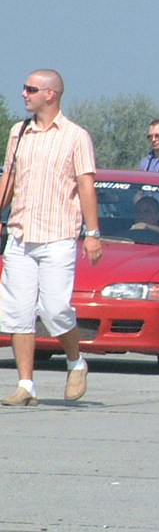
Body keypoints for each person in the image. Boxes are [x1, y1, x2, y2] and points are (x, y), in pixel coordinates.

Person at [0, 69, 103, 406]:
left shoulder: (75, 136)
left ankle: (76, 362)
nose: (24, 94)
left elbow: (86, 185)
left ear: (50, 94)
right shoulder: (19, 132)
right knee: (17, 313)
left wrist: (93, 233)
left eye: (31, 89)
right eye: (24, 87)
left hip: (58, 236)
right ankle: (25, 385)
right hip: (21, 234)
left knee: (55, 309)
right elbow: (9, 177)